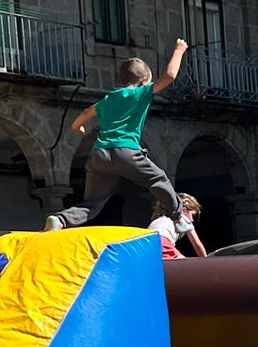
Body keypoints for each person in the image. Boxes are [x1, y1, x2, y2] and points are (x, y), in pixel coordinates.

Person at [47, 43, 190, 235]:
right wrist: (179, 50)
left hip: (100, 155)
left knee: (92, 204)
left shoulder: (108, 99)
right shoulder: (140, 93)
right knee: (158, 179)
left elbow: (86, 112)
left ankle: (59, 219)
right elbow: (170, 76)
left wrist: (77, 127)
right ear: (144, 80)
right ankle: (177, 217)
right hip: (126, 152)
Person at [149, 193, 208, 259]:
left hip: (146, 243)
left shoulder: (159, 219)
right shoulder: (182, 218)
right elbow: (197, 244)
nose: (192, 220)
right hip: (162, 242)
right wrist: (206, 260)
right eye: (193, 215)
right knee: (185, 265)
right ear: (184, 210)